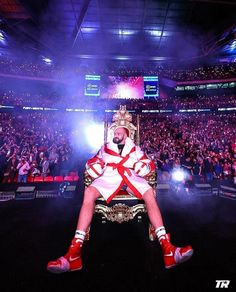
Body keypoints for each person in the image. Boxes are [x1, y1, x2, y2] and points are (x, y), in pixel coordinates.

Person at [47, 127, 193, 273]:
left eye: (118, 133)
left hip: (131, 178)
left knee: (149, 193)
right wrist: (96, 166)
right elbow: (92, 161)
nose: (115, 135)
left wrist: (140, 166)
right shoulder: (105, 148)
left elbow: (149, 164)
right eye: (114, 133)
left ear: (126, 135)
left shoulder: (136, 149)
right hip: (109, 178)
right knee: (89, 192)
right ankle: (74, 252)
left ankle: (168, 249)